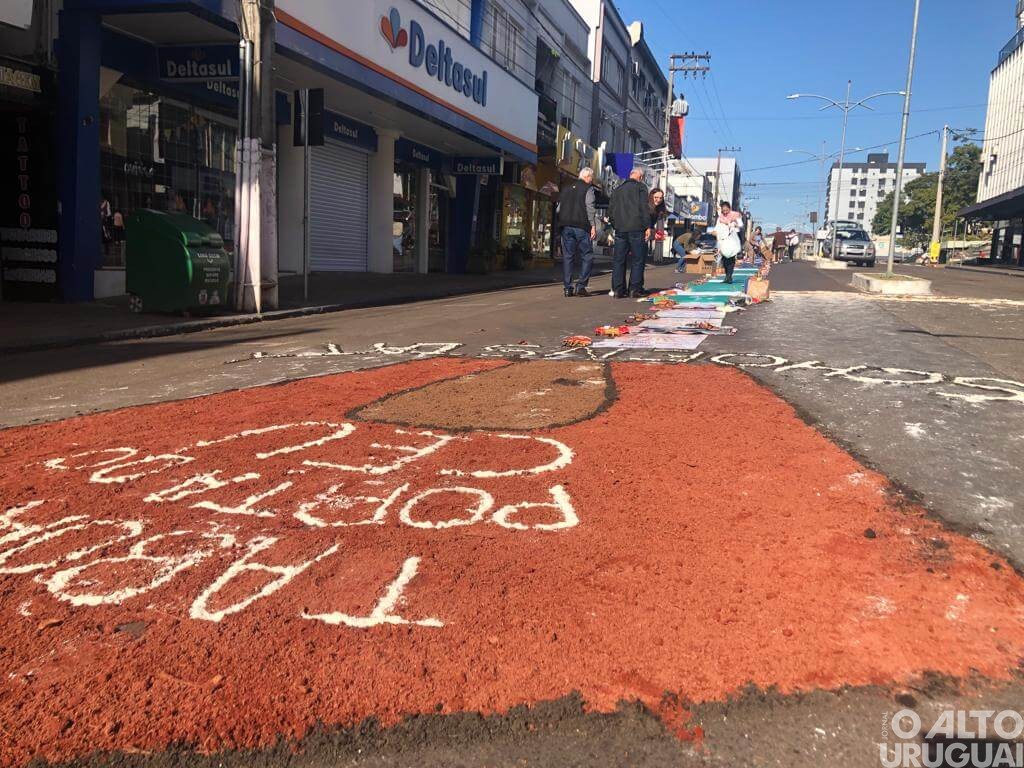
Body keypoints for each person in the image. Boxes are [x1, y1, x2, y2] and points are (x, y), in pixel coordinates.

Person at [556, 167, 600, 297]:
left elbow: (558, 209)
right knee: (587, 255)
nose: (592, 181)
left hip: (566, 226)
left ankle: (567, 288)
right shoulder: (588, 189)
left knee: (568, 256)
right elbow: (590, 207)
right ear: (588, 177)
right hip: (581, 226)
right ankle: (581, 286)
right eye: (591, 178)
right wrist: (593, 225)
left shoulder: (566, 188)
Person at [608, 168, 651, 298]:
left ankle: (618, 290)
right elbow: (644, 207)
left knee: (619, 260)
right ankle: (634, 289)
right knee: (638, 259)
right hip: (637, 228)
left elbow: (611, 210)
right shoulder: (641, 188)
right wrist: (647, 226)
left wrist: (615, 224)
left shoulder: (618, 189)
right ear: (641, 177)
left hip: (620, 229)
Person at [714, 201, 744, 284]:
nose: (725, 212)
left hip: (732, 240)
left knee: (731, 259)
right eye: (723, 210)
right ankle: (727, 276)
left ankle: (729, 277)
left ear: (729, 209)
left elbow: (741, 225)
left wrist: (734, 224)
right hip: (723, 240)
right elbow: (717, 227)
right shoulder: (720, 217)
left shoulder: (735, 215)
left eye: (726, 210)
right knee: (724, 259)